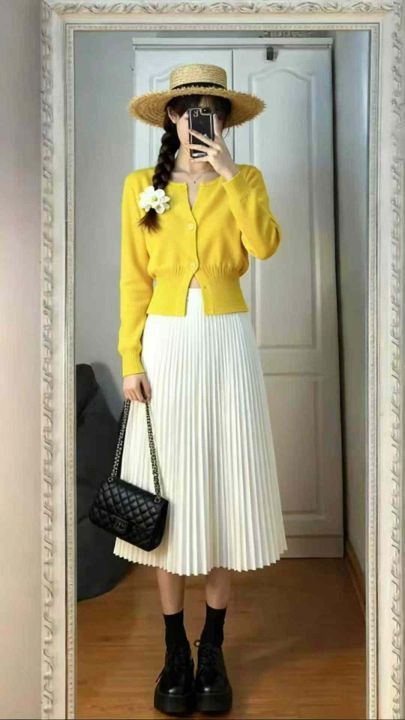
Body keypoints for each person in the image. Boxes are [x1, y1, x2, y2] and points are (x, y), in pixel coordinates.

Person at [113, 63, 288, 715]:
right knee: (169, 495)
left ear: (223, 119)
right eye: (187, 108)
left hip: (226, 343)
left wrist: (229, 175)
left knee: (220, 486)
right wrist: (130, 357)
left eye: (209, 109)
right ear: (170, 116)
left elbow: (264, 247)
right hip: (164, 347)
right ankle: (173, 652)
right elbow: (133, 278)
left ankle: (211, 647)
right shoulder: (140, 187)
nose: (197, 119)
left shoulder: (246, 179)